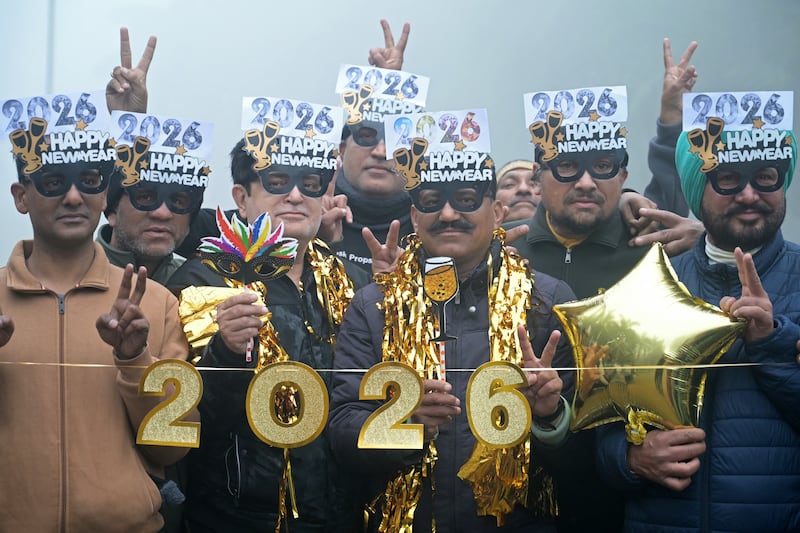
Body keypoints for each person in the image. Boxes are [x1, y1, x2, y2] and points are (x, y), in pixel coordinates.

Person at [328, 139, 577, 532]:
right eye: (430, 200)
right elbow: (341, 432)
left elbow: (587, 450)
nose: (447, 214)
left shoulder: (547, 302)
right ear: (413, 216)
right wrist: (406, 423)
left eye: (465, 199)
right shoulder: (372, 305)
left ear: (497, 212)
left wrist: (549, 416)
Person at [506, 40, 701, 533]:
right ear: (539, 175)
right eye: (568, 167)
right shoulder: (508, 257)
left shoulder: (654, 249)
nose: (587, 182)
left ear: (624, 175)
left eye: (605, 167)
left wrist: (706, 238)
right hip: (519, 495)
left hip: (627, 491)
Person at [596, 106, 800, 532]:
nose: (748, 194)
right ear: (695, 189)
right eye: (727, 178)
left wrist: (771, 342)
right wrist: (631, 459)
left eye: (766, 175)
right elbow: (602, 435)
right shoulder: (647, 290)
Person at [167, 126, 370, 531]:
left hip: (341, 516)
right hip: (239, 519)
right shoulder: (202, 282)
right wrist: (224, 352)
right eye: (276, 181)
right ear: (241, 198)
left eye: (309, 184)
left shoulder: (357, 281)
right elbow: (187, 427)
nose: (295, 195)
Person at [0, 112, 195, 531]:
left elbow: (174, 447)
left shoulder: (156, 304)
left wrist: (134, 359)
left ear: (105, 193)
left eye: (89, 180)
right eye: (53, 182)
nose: (74, 197)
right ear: (21, 196)